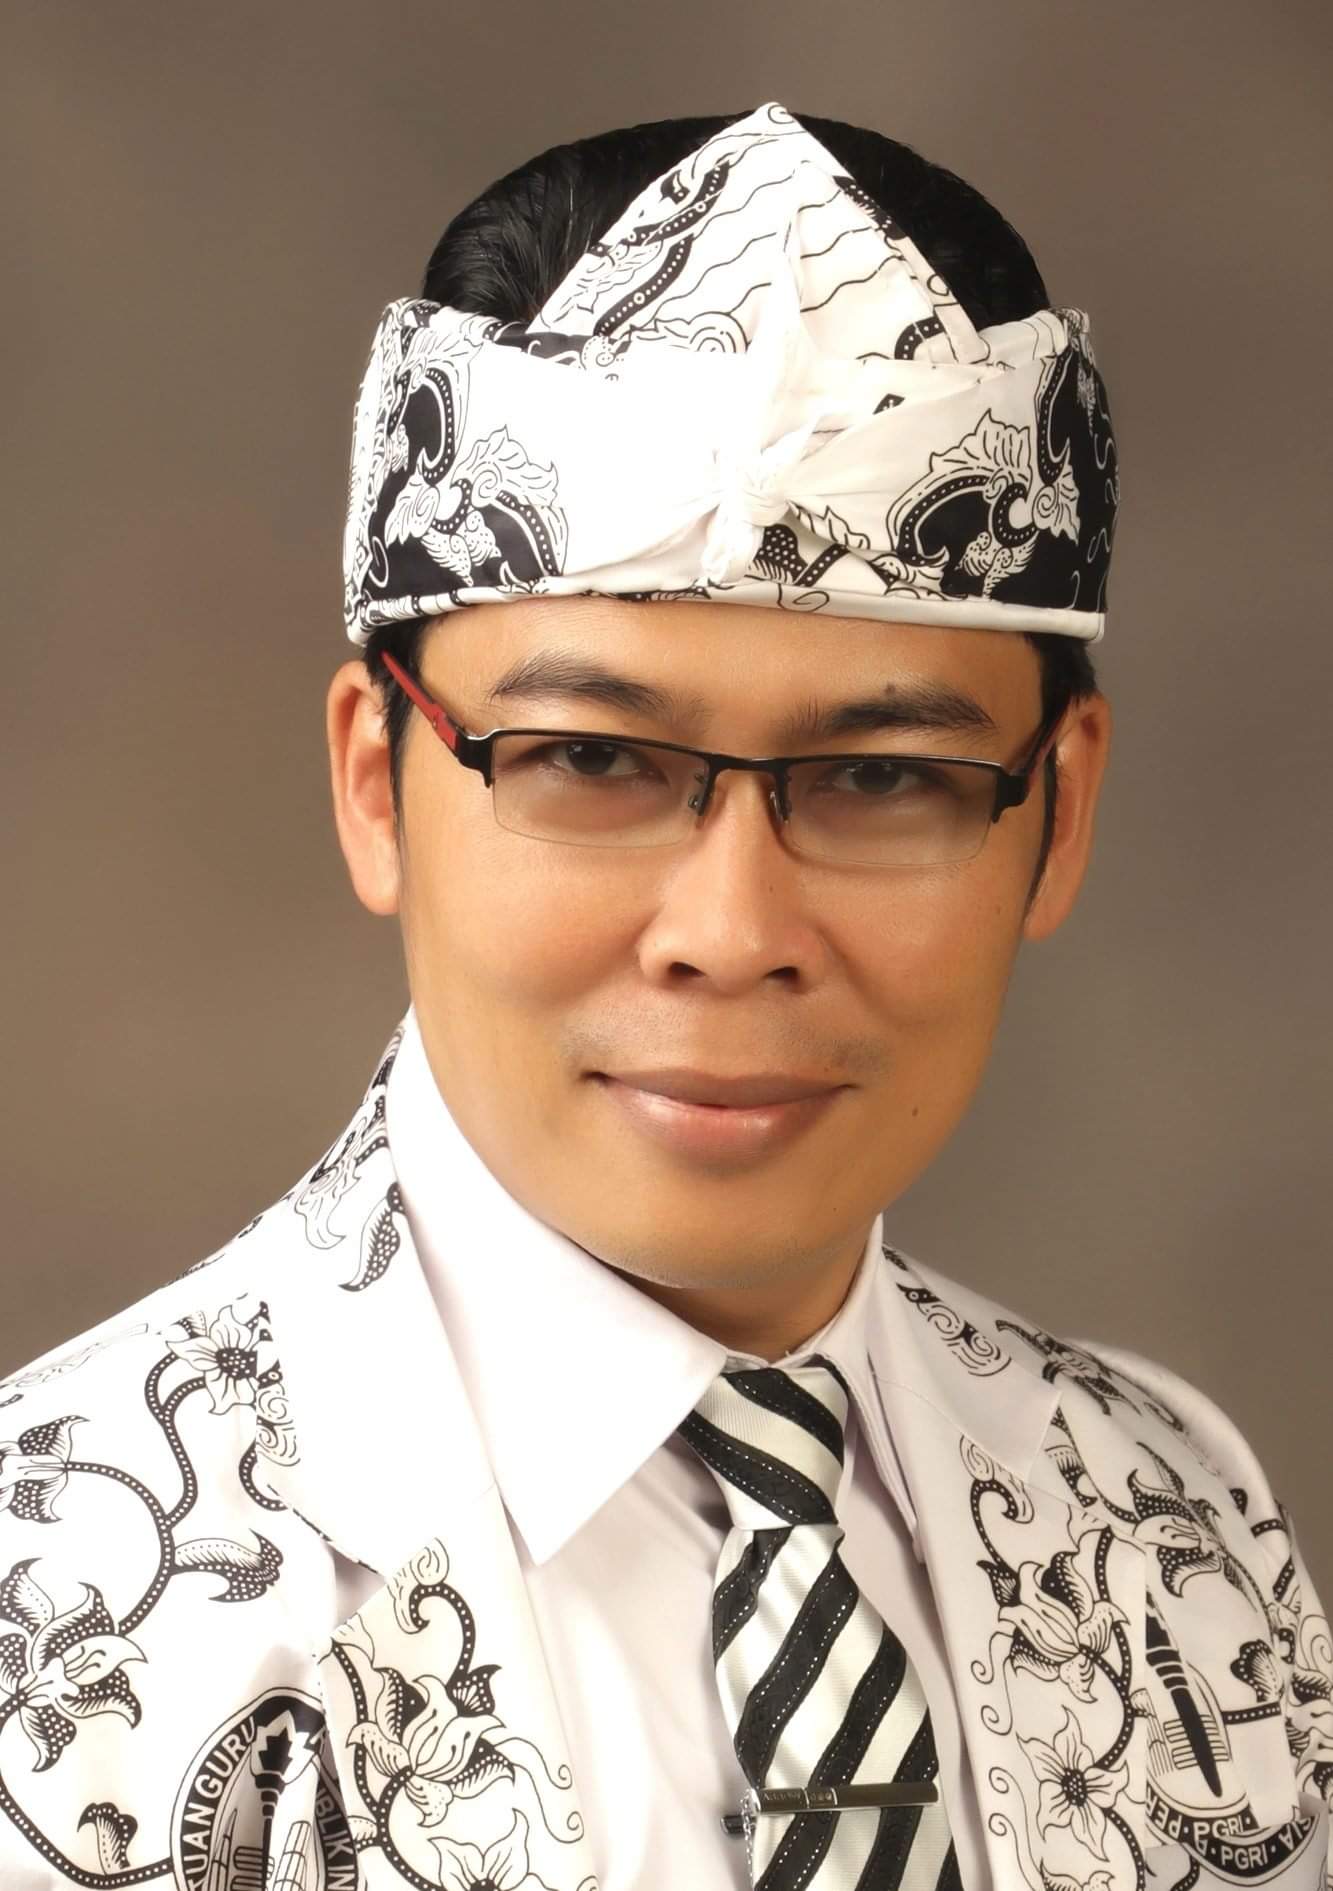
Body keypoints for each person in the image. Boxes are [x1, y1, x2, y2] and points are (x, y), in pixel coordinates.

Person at [1, 102, 1327, 1891]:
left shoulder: (1180, 1528)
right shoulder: (55, 1611)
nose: (730, 929)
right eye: (590, 759)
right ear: (377, 785)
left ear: (1059, 813)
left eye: (882, 779)